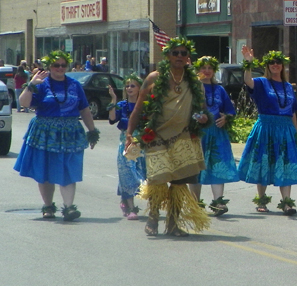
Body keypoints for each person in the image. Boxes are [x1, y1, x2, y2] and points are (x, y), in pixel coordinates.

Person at [125, 36, 211, 237]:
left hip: (184, 138)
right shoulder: (154, 78)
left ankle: (172, 223)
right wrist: (130, 133)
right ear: (168, 56)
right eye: (175, 53)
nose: (179, 56)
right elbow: (138, 109)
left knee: (180, 183)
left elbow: (203, 111)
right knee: (158, 180)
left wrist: (204, 118)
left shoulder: (195, 82)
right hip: (156, 136)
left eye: (183, 53)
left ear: (188, 57)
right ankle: (153, 219)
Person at [14, 50, 99, 221]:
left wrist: (92, 131)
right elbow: (23, 103)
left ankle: (68, 207)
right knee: (45, 169)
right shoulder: (41, 84)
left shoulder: (75, 85)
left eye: (63, 65)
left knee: (68, 168)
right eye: (56, 65)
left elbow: (84, 109)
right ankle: (48, 206)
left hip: (70, 132)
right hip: (45, 132)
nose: (60, 68)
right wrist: (31, 84)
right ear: (49, 67)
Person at [238, 47, 297, 215]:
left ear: (282, 66)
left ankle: (287, 203)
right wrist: (248, 63)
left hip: (285, 129)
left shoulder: (288, 87)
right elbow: (247, 81)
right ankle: (261, 200)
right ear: (267, 66)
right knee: (264, 162)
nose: (275, 65)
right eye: (272, 63)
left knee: (285, 164)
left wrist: (295, 133)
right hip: (266, 127)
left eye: (278, 62)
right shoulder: (261, 82)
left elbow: (293, 111)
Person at [189, 56, 239, 216]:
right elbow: (186, 110)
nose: (207, 71)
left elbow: (230, 110)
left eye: (210, 68)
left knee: (218, 165)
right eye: (203, 68)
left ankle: (218, 202)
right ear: (198, 70)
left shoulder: (220, 90)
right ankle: (195, 203)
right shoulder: (192, 89)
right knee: (197, 167)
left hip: (217, 133)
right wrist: (198, 118)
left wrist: (226, 118)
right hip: (198, 133)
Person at [108, 74, 146, 220]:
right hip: (126, 141)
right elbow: (112, 119)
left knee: (141, 174)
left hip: (142, 142)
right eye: (127, 86)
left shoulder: (144, 104)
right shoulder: (122, 105)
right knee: (128, 173)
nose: (129, 88)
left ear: (139, 88)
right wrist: (113, 100)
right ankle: (131, 207)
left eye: (133, 85)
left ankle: (125, 199)